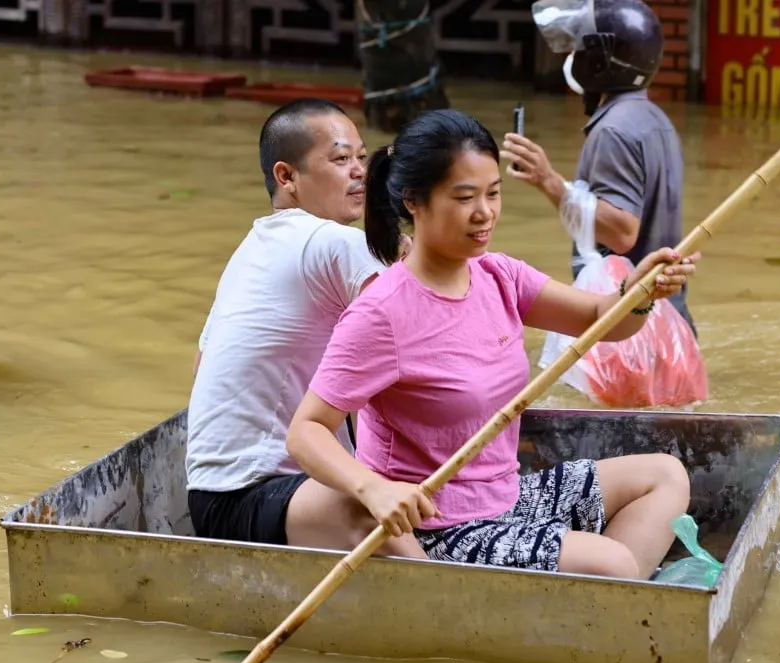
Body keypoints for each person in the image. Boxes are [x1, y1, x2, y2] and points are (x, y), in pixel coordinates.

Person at [285, 109, 700, 579]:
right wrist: (371, 489)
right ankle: (608, 589)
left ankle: (601, 600)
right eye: (465, 198)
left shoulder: (499, 275)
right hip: (439, 527)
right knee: (613, 563)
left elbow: (601, 320)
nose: (485, 213)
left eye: (493, 193)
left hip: (508, 496)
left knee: (666, 476)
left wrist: (639, 293)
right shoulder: (381, 312)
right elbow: (307, 431)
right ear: (414, 202)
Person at [185, 98, 426, 560]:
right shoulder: (336, 241)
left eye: (361, 157)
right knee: (372, 512)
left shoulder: (249, 249)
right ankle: (448, 606)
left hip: (209, 497)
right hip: (254, 493)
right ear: (286, 177)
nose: (359, 172)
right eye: (339, 159)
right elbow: (418, 345)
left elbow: (199, 370)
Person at [503, 0, 695, 336]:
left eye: (580, 47)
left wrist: (548, 181)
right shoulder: (656, 120)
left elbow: (621, 233)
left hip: (630, 330)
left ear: (599, 59)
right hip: (668, 325)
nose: (573, 56)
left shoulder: (613, 130)